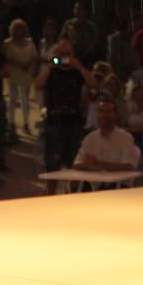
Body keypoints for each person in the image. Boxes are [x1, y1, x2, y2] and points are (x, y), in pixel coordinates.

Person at [34, 40, 97, 190]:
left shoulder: (77, 72)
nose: (65, 58)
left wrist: (79, 67)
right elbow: (37, 85)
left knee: (73, 160)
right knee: (52, 162)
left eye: (68, 54)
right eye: (61, 54)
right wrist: (50, 66)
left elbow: (93, 84)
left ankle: (72, 194)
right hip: (54, 121)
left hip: (74, 121)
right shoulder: (52, 71)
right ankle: (51, 196)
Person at [73, 99, 140, 172]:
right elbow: (77, 164)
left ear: (116, 115)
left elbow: (129, 166)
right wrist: (85, 165)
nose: (104, 115)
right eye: (101, 111)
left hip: (117, 181)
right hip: (94, 181)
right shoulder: (90, 138)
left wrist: (98, 164)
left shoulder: (126, 138)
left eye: (108, 111)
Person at [3, 19, 38, 134]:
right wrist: (18, 64)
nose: (18, 31)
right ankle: (11, 121)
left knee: (25, 99)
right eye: (16, 29)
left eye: (20, 29)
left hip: (26, 72)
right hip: (14, 72)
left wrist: (29, 65)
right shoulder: (8, 43)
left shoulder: (30, 43)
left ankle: (26, 122)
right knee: (12, 98)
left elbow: (34, 56)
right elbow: (6, 58)